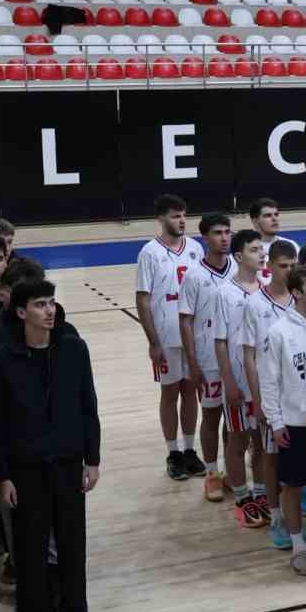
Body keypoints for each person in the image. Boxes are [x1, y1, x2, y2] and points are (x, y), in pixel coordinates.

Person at [0, 278, 102, 612]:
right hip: (25, 468)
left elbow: (89, 406)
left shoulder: (74, 349)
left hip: (69, 463)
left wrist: (93, 459)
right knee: (30, 544)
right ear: (22, 312)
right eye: (40, 304)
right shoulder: (2, 359)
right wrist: (2, 475)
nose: (50, 310)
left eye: (52, 302)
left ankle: (76, 611)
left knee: (73, 538)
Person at [258, 267, 306, 576]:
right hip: (293, 423)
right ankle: (297, 546)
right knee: (292, 486)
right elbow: (269, 381)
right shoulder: (278, 332)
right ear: (296, 293)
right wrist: (276, 422)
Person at [134, 195, 204, 481]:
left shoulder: (196, 249)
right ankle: (172, 452)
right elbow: (142, 299)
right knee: (169, 392)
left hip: (194, 336)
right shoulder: (149, 253)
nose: (182, 220)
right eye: (175, 216)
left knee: (191, 391)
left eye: (184, 214)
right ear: (161, 219)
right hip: (166, 336)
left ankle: (189, 449)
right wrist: (153, 341)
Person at [179, 213, 240, 500]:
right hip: (208, 358)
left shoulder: (239, 268)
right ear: (205, 238)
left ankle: (231, 470)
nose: (225, 237)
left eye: (228, 232)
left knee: (234, 417)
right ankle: (212, 473)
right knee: (212, 415)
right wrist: (192, 363)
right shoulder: (194, 274)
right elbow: (185, 321)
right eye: (218, 232)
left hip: (236, 357)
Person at [242, 240, 298, 545]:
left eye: (293, 266)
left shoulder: (302, 299)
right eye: (283, 266)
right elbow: (249, 355)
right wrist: (257, 399)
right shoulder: (255, 303)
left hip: (300, 395)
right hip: (271, 394)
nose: (289, 271)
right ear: (269, 267)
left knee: (300, 455)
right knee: (271, 456)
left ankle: (299, 512)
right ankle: (277, 517)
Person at [214, 230, 267, 522]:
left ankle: (259, 492)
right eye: (254, 249)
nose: (261, 253)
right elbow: (219, 341)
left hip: (262, 381)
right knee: (237, 441)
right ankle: (242, 498)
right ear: (238, 256)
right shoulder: (224, 292)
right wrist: (229, 381)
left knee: (260, 441)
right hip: (237, 380)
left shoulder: (267, 289)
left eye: (262, 248)